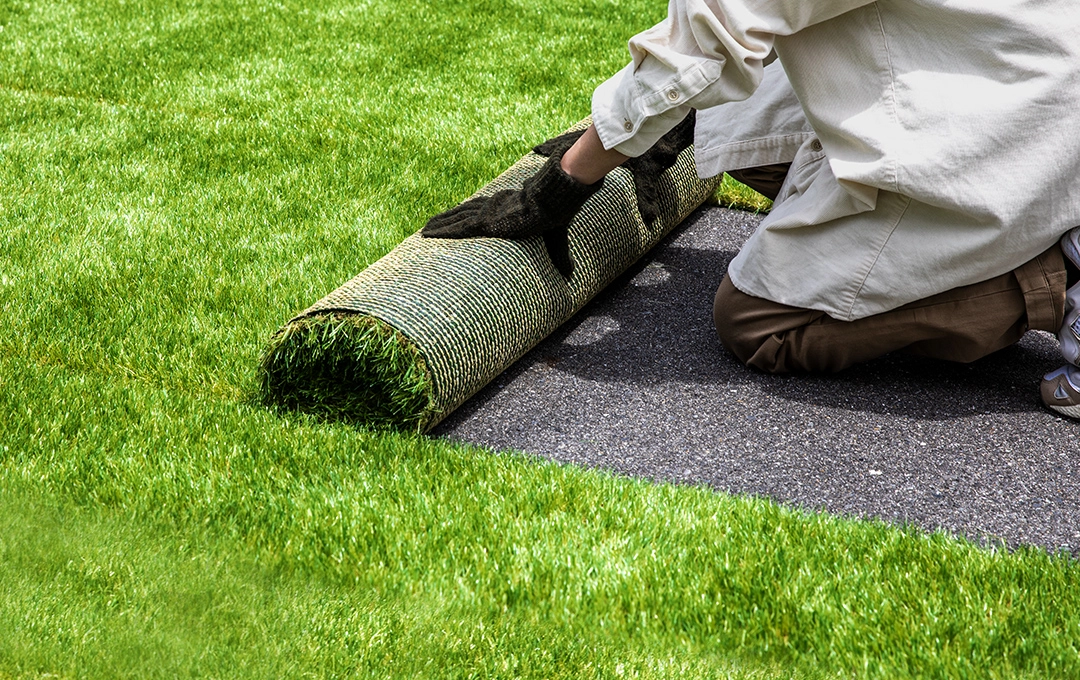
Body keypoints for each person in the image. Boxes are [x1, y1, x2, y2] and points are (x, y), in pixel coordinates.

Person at [423, 0, 1080, 419]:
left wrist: (564, 186)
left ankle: (1055, 276)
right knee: (730, 133)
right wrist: (658, 135)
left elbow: (712, 35)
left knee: (755, 323)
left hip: (1006, 132)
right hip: (1001, 71)